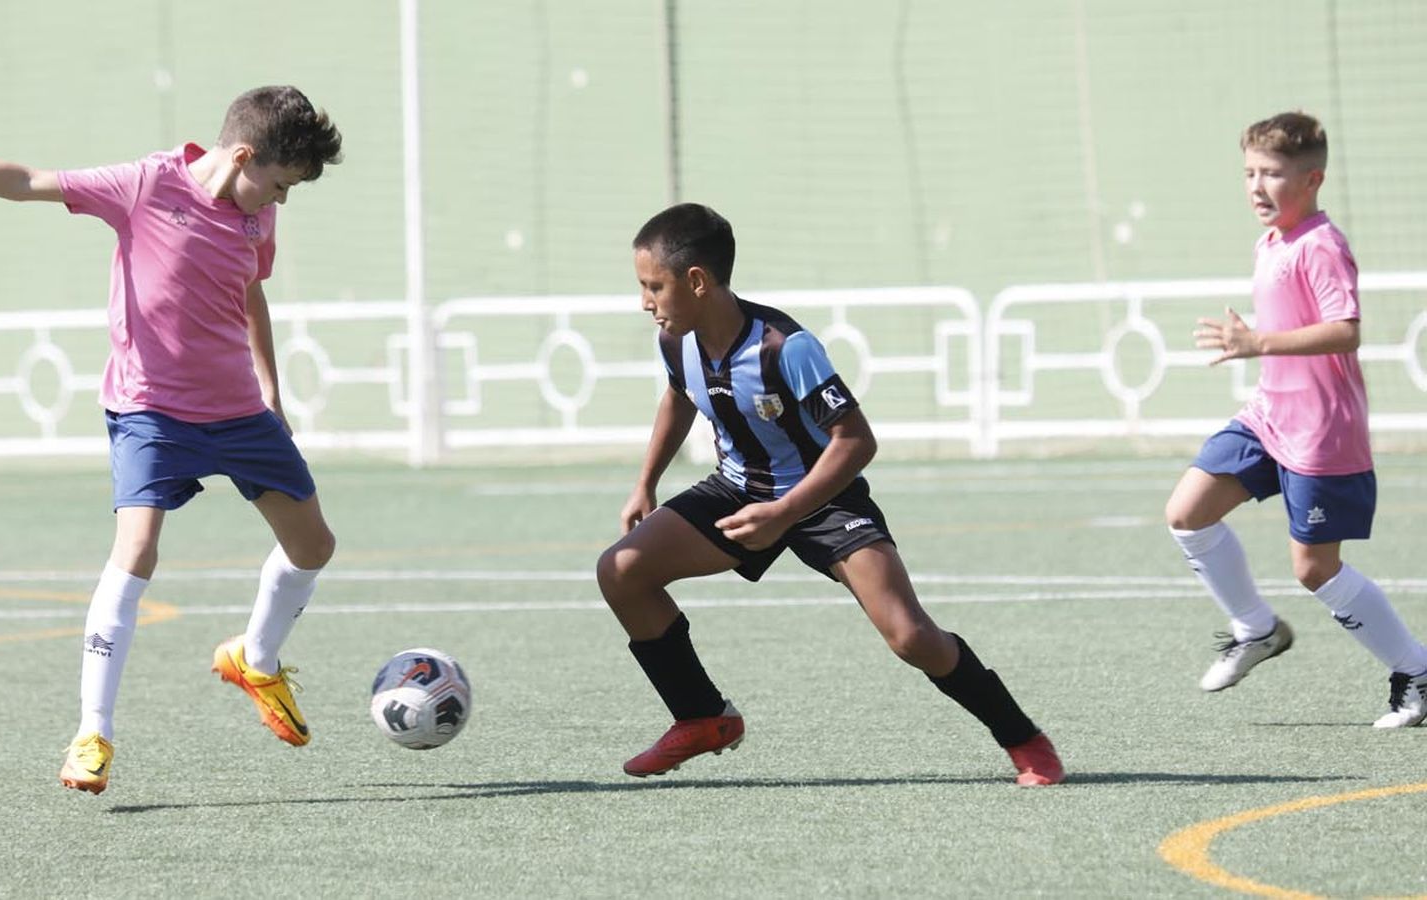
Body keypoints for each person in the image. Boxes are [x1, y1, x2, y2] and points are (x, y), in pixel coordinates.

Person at [0, 85, 346, 793]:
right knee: (138, 550)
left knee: (314, 546)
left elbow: (249, 293)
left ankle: (256, 660)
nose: (280, 202)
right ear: (243, 156)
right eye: (278, 184)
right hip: (150, 410)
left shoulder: (257, 217)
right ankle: (93, 732)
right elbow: (25, 181)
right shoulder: (146, 184)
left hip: (238, 412)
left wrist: (270, 389)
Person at [595, 203, 1064, 786]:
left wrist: (785, 513)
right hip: (739, 492)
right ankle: (701, 716)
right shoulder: (677, 340)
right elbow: (681, 396)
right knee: (621, 570)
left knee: (910, 635)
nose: (645, 301)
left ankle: (1023, 738)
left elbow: (857, 441)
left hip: (824, 500)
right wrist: (646, 482)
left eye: (652, 286)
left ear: (697, 281)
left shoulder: (784, 347)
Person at [1165, 111, 1427, 728]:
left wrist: (1259, 344)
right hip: (1267, 416)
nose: (1257, 186)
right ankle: (1256, 629)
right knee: (1186, 514)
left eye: (1273, 174)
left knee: (1313, 570)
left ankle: (1416, 671)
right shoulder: (1271, 241)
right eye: (1249, 173)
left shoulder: (1322, 245)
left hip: (1320, 433)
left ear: (1312, 179)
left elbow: (1346, 331)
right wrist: (1260, 354)